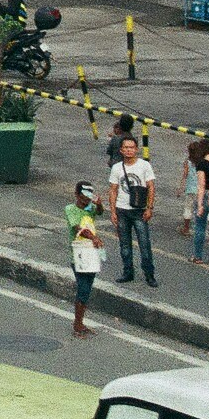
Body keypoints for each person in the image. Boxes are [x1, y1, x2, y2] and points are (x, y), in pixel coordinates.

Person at [109, 137, 159, 287]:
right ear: (121, 150)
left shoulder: (144, 166)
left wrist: (150, 208)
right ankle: (128, 272)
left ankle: (149, 274)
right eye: (126, 147)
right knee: (124, 244)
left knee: (144, 244)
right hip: (122, 210)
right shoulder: (117, 168)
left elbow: (151, 187)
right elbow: (113, 190)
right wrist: (112, 211)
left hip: (139, 210)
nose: (129, 150)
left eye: (132, 147)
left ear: (136, 149)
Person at [185, 139, 209, 266]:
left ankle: (198, 256)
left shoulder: (202, 164)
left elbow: (201, 186)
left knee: (200, 227)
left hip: (206, 195)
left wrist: (200, 204)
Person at [70, 205, 104, 337]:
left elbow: (100, 212)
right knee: (83, 289)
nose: (86, 200)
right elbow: (77, 227)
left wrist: (99, 204)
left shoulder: (90, 209)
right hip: (77, 255)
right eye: (83, 197)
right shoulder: (71, 209)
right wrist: (93, 237)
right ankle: (77, 324)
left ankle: (80, 322)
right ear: (77, 195)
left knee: (87, 288)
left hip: (91, 253)